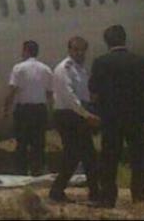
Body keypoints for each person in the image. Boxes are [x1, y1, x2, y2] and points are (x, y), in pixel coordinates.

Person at [89, 25, 144, 208]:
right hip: (134, 116)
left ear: (107, 42)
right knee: (138, 157)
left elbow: (93, 89)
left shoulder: (101, 62)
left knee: (109, 158)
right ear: (125, 39)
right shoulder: (139, 61)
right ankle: (138, 195)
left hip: (111, 118)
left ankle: (108, 197)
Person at [49, 36, 101, 203]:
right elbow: (70, 97)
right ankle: (92, 192)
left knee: (81, 154)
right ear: (69, 50)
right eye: (76, 50)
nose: (79, 53)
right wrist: (87, 115)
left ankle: (61, 191)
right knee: (82, 154)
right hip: (68, 115)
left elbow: (85, 94)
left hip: (78, 114)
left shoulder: (81, 69)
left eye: (82, 50)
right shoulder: (64, 69)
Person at [3, 40, 53, 176]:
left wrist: (6, 107)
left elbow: (12, 90)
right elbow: (49, 93)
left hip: (24, 109)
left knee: (22, 141)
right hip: (40, 109)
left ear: (26, 51)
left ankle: (21, 169)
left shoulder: (18, 68)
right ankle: (38, 168)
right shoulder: (46, 69)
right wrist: (51, 111)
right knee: (39, 142)